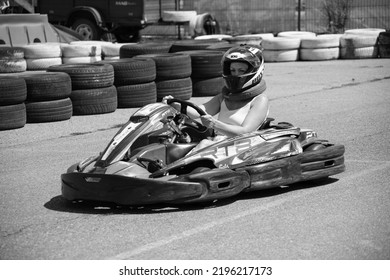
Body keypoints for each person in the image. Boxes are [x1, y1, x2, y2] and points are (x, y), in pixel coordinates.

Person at [163, 44, 269, 151]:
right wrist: (175, 104)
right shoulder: (224, 97)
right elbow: (197, 112)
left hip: (242, 149)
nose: (235, 75)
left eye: (241, 71)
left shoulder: (260, 100)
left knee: (204, 144)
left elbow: (245, 132)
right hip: (219, 145)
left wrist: (215, 124)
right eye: (233, 70)